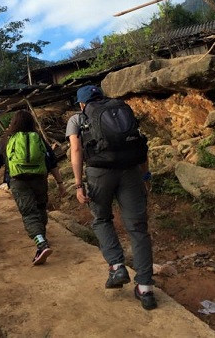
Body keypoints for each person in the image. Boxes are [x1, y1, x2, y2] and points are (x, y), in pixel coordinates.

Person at [66, 85, 157, 310]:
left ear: (81, 103)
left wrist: (78, 184)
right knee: (137, 228)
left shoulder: (77, 119)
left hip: (99, 172)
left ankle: (117, 267)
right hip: (130, 171)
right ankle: (145, 289)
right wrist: (144, 174)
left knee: (101, 219)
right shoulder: (120, 110)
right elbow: (139, 143)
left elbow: (76, 151)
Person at [0, 110, 66, 265]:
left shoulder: (6, 140)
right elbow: (52, 162)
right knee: (40, 208)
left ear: (13, 123)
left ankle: (41, 243)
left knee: (29, 213)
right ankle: (42, 240)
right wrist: (60, 183)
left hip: (18, 181)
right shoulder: (38, 139)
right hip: (39, 179)